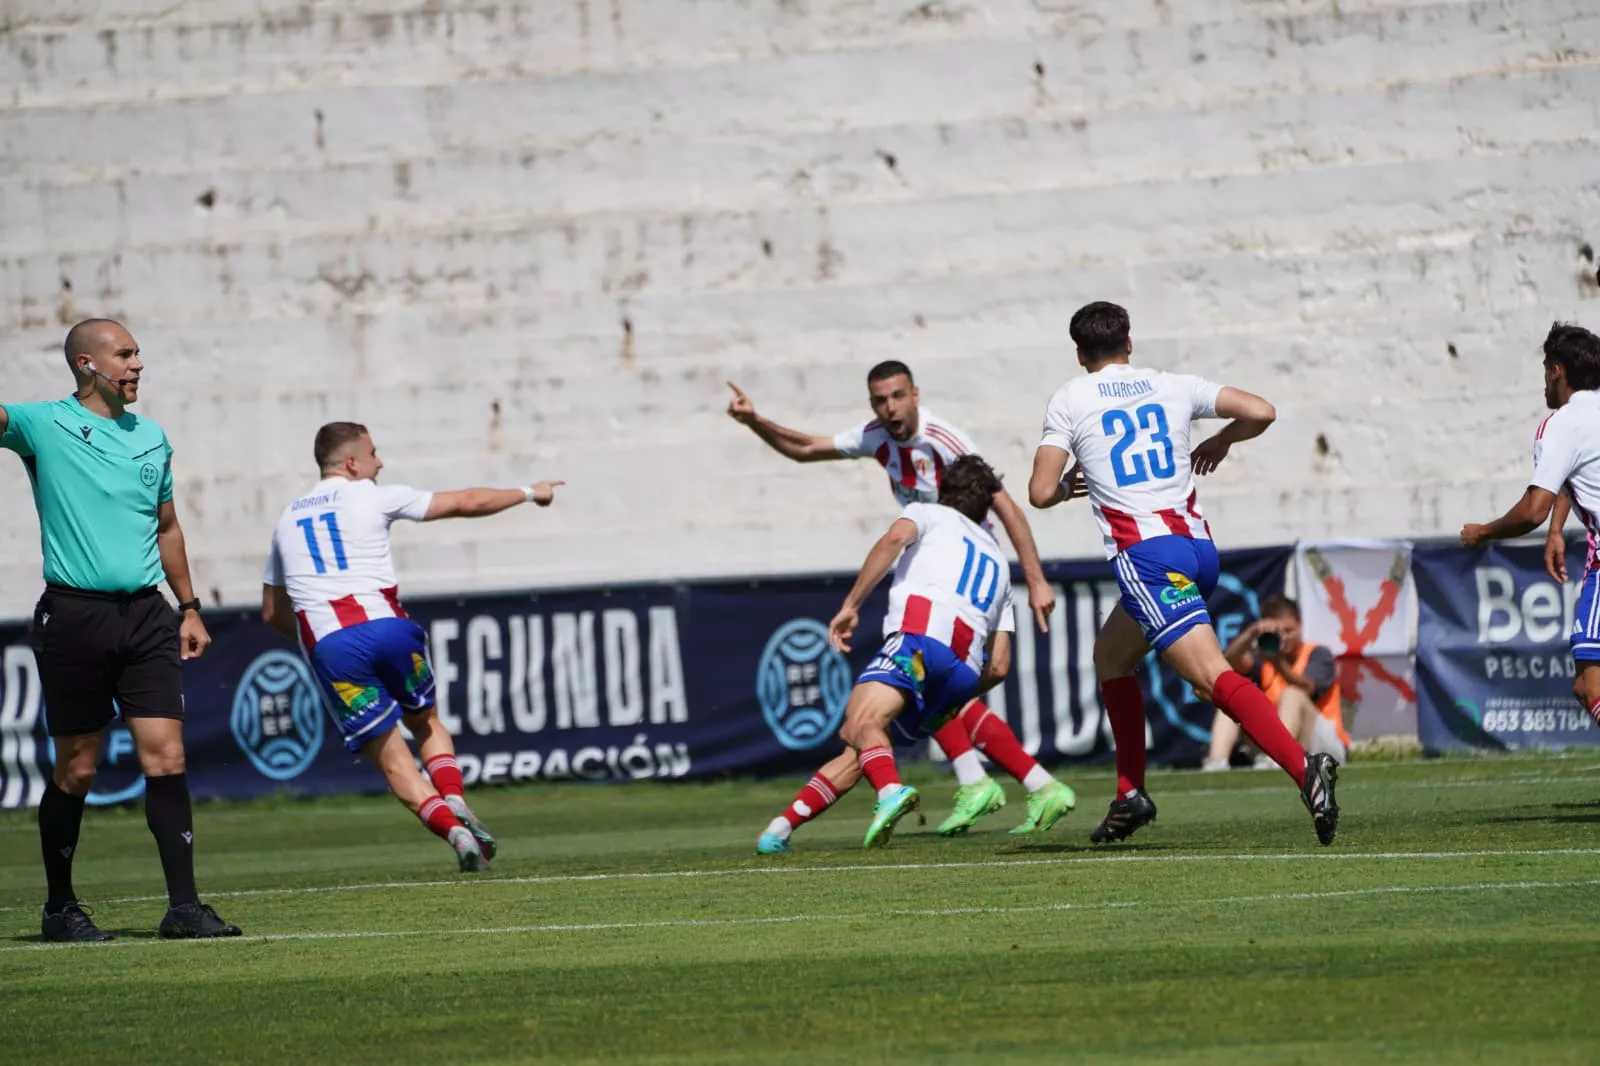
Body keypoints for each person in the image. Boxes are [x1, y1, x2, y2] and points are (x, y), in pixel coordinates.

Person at [1028, 301, 1339, 846]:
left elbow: (1038, 491)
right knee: (1110, 657)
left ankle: (1305, 768)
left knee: (1211, 677)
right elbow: (1262, 410)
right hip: (1198, 552)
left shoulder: (1070, 398)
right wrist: (1222, 439)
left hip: (1148, 558)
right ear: (1129, 343)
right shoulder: (1171, 384)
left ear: (1080, 353)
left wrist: (1063, 489)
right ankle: (1130, 795)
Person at [729, 363, 1076, 837]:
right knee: (937, 692)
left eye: (896, 396)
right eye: (880, 400)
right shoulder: (875, 437)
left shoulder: (945, 440)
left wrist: (1035, 578)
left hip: (962, 577)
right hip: (969, 576)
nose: (889, 408)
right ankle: (1011, 782)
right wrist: (755, 421)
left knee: (886, 705)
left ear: (915, 394)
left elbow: (1005, 504)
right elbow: (806, 447)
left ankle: (983, 783)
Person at [1, 318, 240, 942]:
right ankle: (60, 910)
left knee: (167, 755)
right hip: (75, 615)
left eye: (138, 355)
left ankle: (184, 908)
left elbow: (167, 527)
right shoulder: (42, 424)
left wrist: (188, 606)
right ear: (87, 364)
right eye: (125, 355)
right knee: (78, 768)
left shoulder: (152, 436)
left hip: (147, 614)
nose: (137, 365)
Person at [261, 422, 563, 871]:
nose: (379, 462)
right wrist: (529, 491)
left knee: (391, 759)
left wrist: (322, 642)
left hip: (333, 647)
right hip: (390, 629)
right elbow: (466, 502)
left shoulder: (286, 519)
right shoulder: (373, 494)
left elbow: (272, 612)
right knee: (426, 722)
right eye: (374, 453)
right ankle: (455, 798)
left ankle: (455, 833)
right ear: (351, 463)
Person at [762, 456, 1018, 850]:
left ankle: (890, 792)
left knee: (857, 722)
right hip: (962, 675)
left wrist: (851, 604)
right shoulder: (1000, 563)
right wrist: (950, 697)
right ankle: (781, 828)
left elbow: (894, 540)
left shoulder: (928, 513)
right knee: (865, 745)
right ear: (987, 506)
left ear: (943, 491)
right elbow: (999, 666)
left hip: (920, 643)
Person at [1465, 321, 1600, 728]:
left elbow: (1532, 509)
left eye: (1545, 369)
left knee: (1589, 686)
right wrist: (1558, 531)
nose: (1544, 381)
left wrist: (1484, 532)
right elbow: (1576, 473)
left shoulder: (1561, 424)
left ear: (1557, 370)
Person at [1202, 595, 1348, 771]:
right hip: (1278, 743)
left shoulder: (1318, 654)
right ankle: (1216, 763)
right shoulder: (1264, 660)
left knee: (1293, 694)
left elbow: (1308, 688)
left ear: (1300, 625)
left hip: (1321, 745)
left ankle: (1277, 758)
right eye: (1280, 633)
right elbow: (1225, 666)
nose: (1285, 638)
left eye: (1289, 630)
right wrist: (1251, 633)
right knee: (1232, 698)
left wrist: (1278, 662)